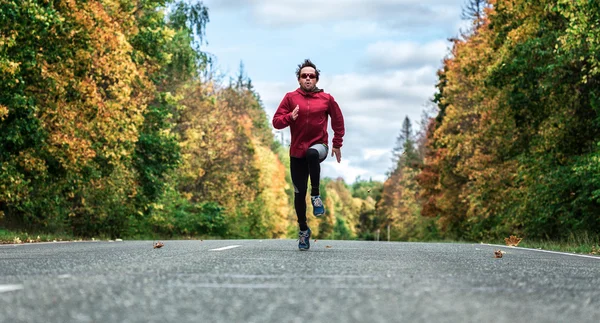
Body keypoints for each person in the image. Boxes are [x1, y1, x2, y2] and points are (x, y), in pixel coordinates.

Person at [272, 59, 345, 251]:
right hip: (297, 151)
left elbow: (338, 121)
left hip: (318, 146)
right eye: (304, 76)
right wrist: (290, 117)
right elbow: (276, 122)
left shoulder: (326, 99)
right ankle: (303, 230)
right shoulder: (290, 98)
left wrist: (337, 144)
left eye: (311, 76)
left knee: (313, 153)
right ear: (298, 79)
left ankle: (316, 195)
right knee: (298, 193)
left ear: (316, 79)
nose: (308, 79)